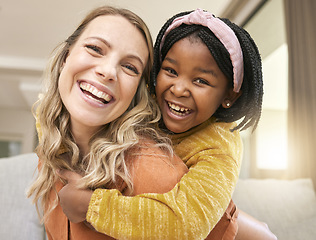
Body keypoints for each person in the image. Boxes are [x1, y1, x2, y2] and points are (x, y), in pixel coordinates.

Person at [57, 8, 277, 240]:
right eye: (170, 71)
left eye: (201, 80)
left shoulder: (220, 145)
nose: (179, 89)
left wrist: (92, 206)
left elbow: (185, 224)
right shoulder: (148, 99)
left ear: (229, 97)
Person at [27, 5, 191, 240]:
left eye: (130, 67)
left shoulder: (152, 169)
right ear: (66, 58)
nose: (108, 71)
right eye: (95, 48)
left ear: (136, 92)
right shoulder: (50, 154)